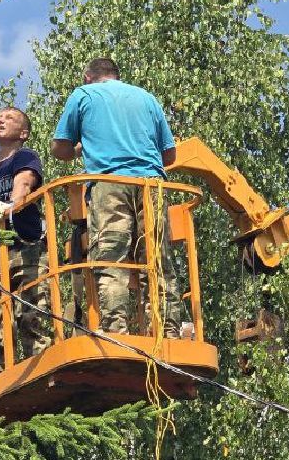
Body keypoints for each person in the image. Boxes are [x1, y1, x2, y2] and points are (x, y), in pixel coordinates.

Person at [50, 57, 189, 338]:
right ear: (116, 75)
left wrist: (80, 149)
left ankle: (116, 331)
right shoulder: (146, 98)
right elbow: (170, 155)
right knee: (157, 257)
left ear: (88, 76)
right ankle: (167, 331)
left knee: (112, 257)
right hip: (151, 185)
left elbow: (59, 149)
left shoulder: (84, 94)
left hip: (109, 182)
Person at [0, 107, 50, 374]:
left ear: (24, 133)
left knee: (31, 309)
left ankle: (38, 363)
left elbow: (24, 184)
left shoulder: (25, 156)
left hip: (25, 246)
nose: (1, 120)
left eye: (10, 118)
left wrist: (9, 206)